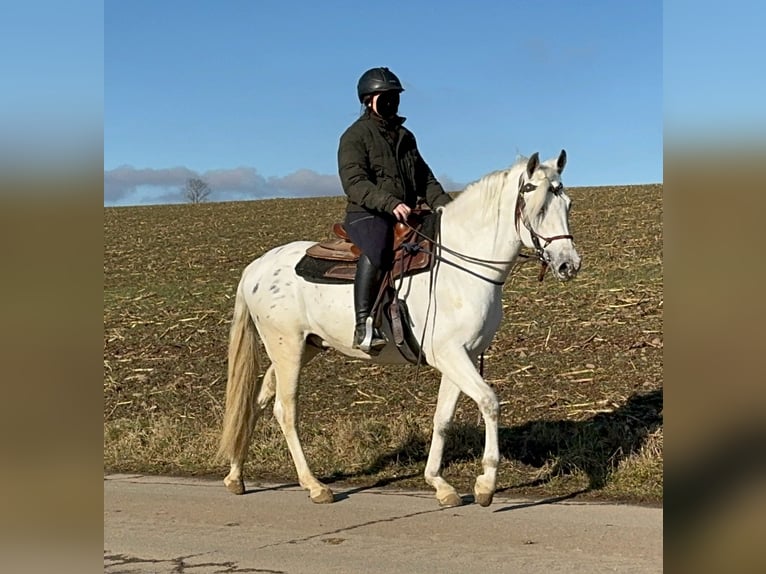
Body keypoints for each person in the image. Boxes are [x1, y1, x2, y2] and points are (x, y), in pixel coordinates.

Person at [337, 66, 453, 352]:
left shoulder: (406, 136)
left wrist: (448, 209)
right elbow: (355, 182)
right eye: (384, 97)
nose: (391, 102)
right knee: (377, 248)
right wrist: (390, 204)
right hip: (368, 212)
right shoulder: (354, 136)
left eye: (395, 97)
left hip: (406, 211)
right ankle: (363, 324)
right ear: (368, 100)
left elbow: (426, 179)